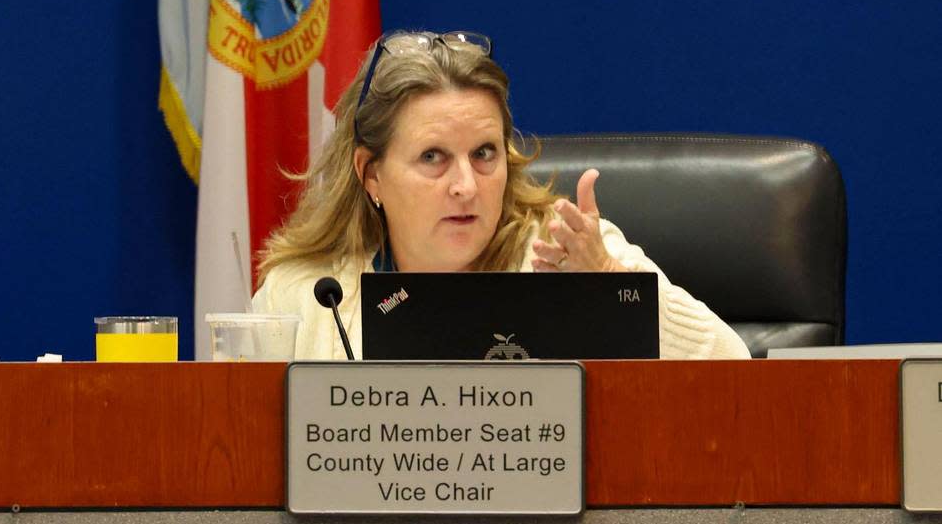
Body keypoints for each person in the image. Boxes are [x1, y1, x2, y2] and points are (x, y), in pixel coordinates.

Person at [252, 30, 750, 360]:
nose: (467, 186)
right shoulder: (306, 295)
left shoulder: (565, 250)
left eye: (485, 154)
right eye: (433, 157)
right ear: (371, 174)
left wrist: (612, 290)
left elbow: (735, 369)